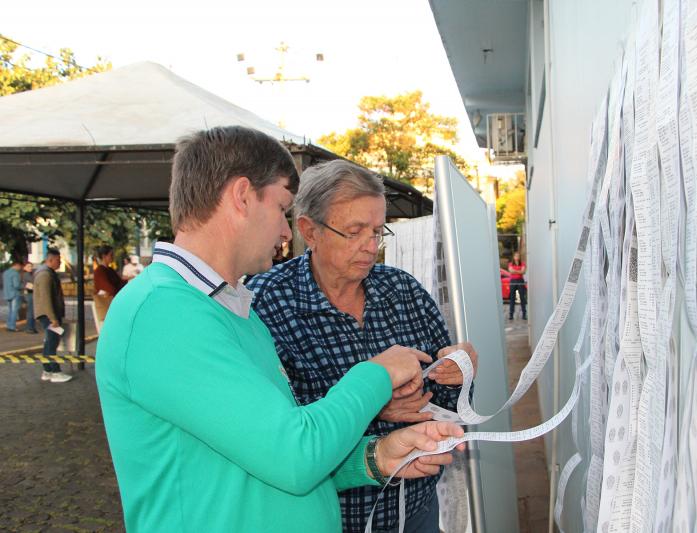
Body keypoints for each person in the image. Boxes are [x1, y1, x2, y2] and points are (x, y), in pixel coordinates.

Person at [95, 126, 464, 533]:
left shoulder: (234, 310)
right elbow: (295, 455)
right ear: (241, 197)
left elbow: (261, 458)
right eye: (281, 208)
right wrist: (378, 373)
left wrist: (376, 458)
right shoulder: (161, 311)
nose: (287, 233)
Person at [248, 159, 478, 533]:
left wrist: (460, 373)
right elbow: (277, 436)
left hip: (416, 510)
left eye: (377, 231)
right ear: (310, 230)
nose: (371, 247)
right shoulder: (266, 304)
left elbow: (450, 408)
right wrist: (376, 406)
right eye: (354, 232)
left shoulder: (404, 291)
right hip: (329, 519)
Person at [33, 248, 72, 383]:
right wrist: (53, 318)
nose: (60, 262)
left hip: (48, 314)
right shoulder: (45, 275)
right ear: (50, 260)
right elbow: (46, 298)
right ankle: (54, 371)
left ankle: (47, 370)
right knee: (52, 342)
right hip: (48, 315)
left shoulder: (47, 273)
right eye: (58, 260)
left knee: (50, 342)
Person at [93, 245, 126, 324]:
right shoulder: (100, 271)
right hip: (107, 304)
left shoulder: (110, 269)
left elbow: (120, 283)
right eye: (111, 255)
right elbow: (108, 288)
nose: (113, 257)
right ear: (104, 256)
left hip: (114, 303)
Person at [3, 260, 22, 331]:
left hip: (7, 293)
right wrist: (23, 286)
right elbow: (16, 285)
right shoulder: (15, 273)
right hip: (14, 294)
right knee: (14, 311)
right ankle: (12, 326)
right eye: (20, 267)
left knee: (10, 310)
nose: (20, 268)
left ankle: (9, 325)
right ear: (16, 265)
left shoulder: (5, 273)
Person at [508, 251, 527, 320]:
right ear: (513, 257)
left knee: (522, 298)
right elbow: (511, 271)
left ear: (519, 257)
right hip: (513, 281)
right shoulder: (510, 264)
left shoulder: (522, 264)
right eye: (515, 256)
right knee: (512, 298)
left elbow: (523, 271)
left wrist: (515, 271)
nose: (517, 257)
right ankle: (511, 314)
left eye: (518, 256)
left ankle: (524, 314)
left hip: (520, 281)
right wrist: (519, 271)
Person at [22, 262, 37, 333]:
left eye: (31, 266)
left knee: (32, 312)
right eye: (28, 266)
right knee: (31, 312)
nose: (30, 268)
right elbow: (29, 286)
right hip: (30, 294)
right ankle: (30, 327)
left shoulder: (31, 274)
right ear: (24, 267)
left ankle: (32, 327)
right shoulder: (26, 275)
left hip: (32, 294)